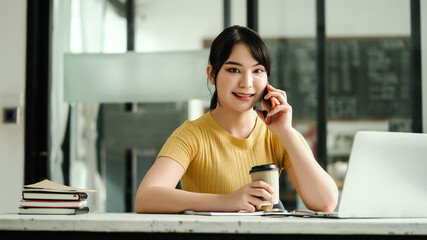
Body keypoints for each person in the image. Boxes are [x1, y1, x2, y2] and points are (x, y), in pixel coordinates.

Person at [135, 25, 338, 213]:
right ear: (212, 74)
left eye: (258, 71)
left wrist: (286, 132)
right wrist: (228, 201)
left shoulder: (278, 133)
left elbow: (325, 202)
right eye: (234, 70)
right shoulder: (192, 135)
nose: (247, 83)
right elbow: (145, 198)